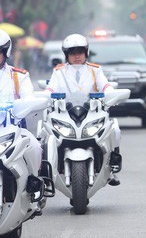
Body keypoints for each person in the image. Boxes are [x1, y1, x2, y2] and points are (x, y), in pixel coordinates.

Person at [46, 34, 122, 185]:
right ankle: (46, 172)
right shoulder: (59, 71)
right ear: (66, 55)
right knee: (45, 134)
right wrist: (45, 97)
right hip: (66, 113)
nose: (76, 56)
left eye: (79, 52)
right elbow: (50, 90)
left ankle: (112, 168)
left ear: (86, 53)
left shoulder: (96, 70)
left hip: (92, 112)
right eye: (72, 53)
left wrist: (111, 94)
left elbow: (106, 86)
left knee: (115, 129)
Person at [0, 30, 44, 201]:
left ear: (5, 53)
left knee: (34, 146)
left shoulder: (19, 76)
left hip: (15, 130)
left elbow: (30, 98)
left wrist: (26, 105)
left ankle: (34, 187)